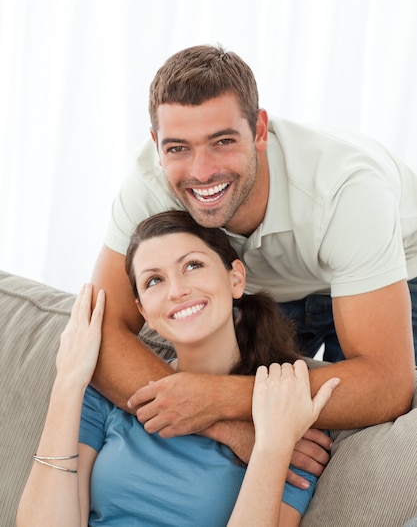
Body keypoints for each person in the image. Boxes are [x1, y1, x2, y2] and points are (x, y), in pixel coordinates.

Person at [91, 44, 416, 461]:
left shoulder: (345, 192)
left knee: (369, 440)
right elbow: (98, 334)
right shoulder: (148, 187)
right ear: (156, 144)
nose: (201, 171)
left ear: (260, 131)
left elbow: (387, 384)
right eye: (178, 148)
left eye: (222, 141)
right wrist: (222, 422)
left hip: (394, 269)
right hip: (265, 284)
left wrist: (224, 396)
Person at [17, 211, 340, 527]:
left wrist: (270, 448)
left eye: (193, 265)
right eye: (154, 280)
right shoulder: (106, 392)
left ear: (236, 278)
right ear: (143, 309)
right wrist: (69, 381)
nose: (176, 291)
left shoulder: (283, 406)